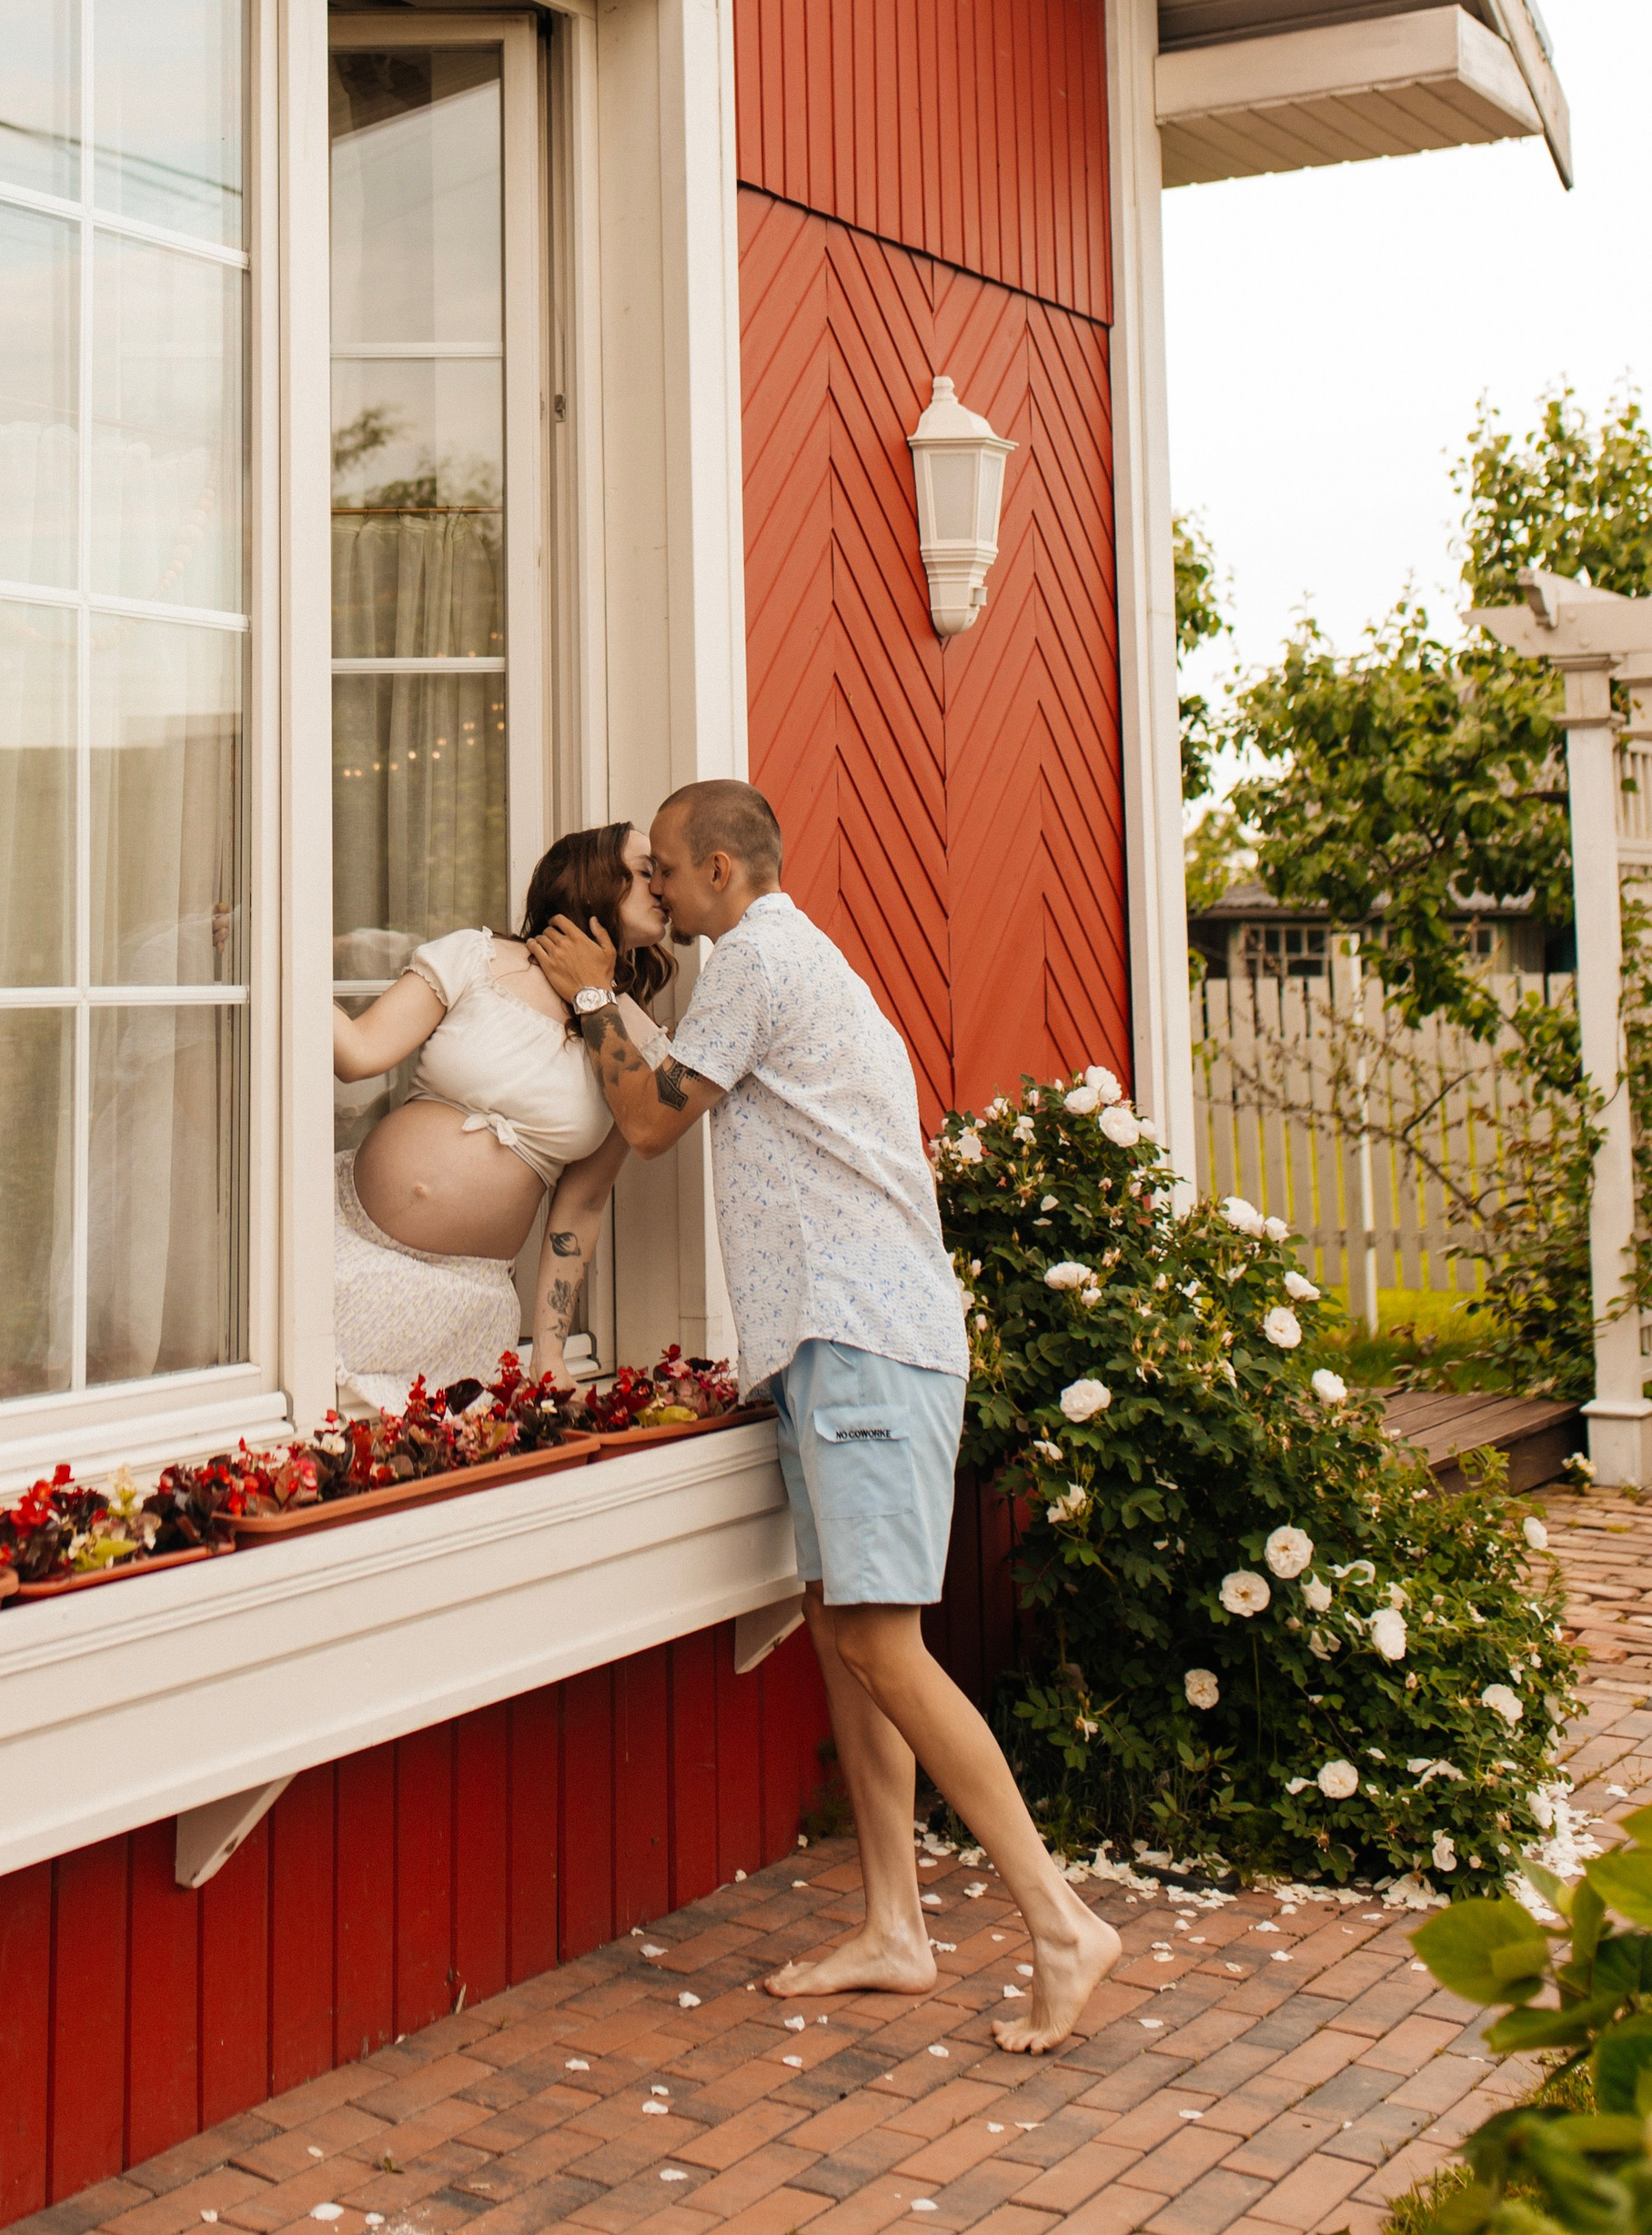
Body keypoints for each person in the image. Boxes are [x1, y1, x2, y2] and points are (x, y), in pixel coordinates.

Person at [529, 778, 1122, 2055]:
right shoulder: (773, 962)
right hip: (828, 1346)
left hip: (864, 1343)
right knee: (846, 1634)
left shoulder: (759, 957)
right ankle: (894, 1927)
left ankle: (1062, 1922)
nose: (657, 889)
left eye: (666, 868)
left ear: (722, 872)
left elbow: (648, 1119)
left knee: (882, 1642)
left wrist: (588, 997)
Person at [329, 822, 674, 1410]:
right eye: (647, 872)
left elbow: (582, 1206)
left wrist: (549, 1355)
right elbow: (357, 1054)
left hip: (462, 1303)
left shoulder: (635, 1047)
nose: (662, 888)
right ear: (594, 876)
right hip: (347, 1244)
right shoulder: (475, 957)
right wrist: (281, 949)